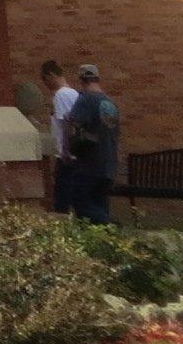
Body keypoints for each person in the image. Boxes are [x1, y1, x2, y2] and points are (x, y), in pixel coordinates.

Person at [62, 63, 123, 226]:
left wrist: (67, 151)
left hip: (90, 163)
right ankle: (105, 241)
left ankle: (110, 223)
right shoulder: (111, 103)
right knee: (100, 204)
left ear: (81, 79)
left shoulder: (86, 99)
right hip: (108, 165)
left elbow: (72, 124)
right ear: (97, 78)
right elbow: (117, 136)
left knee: (79, 201)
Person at [43, 59, 80, 213]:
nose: (46, 84)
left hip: (66, 154)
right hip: (75, 153)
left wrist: (64, 151)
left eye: (45, 79)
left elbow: (67, 124)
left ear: (51, 75)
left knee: (62, 197)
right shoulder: (74, 93)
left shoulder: (61, 95)